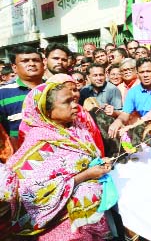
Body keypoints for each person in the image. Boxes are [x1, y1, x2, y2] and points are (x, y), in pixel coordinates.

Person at [1, 74, 112, 240]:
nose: (75, 105)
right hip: (59, 226)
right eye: (67, 102)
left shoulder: (77, 129)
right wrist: (86, 175)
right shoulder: (40, 143)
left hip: (89, 216)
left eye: (74, 100)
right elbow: (33, 193)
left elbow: (86, 158)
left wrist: (97, 164)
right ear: (47, 110)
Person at [0, 45, 45, 150]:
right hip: (19, 157)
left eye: (36, 60)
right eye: (25, 61)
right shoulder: (3, 94)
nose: (31, 64)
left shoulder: (55, 89)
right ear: (14, 68)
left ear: (43, 64)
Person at [108, 58, 151, 137]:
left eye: (149, 71)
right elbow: (125, 114)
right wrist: (118, 121)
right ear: (137, 73)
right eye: (142, 72)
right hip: (144, 129)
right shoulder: (133, 92)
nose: (145, 75)